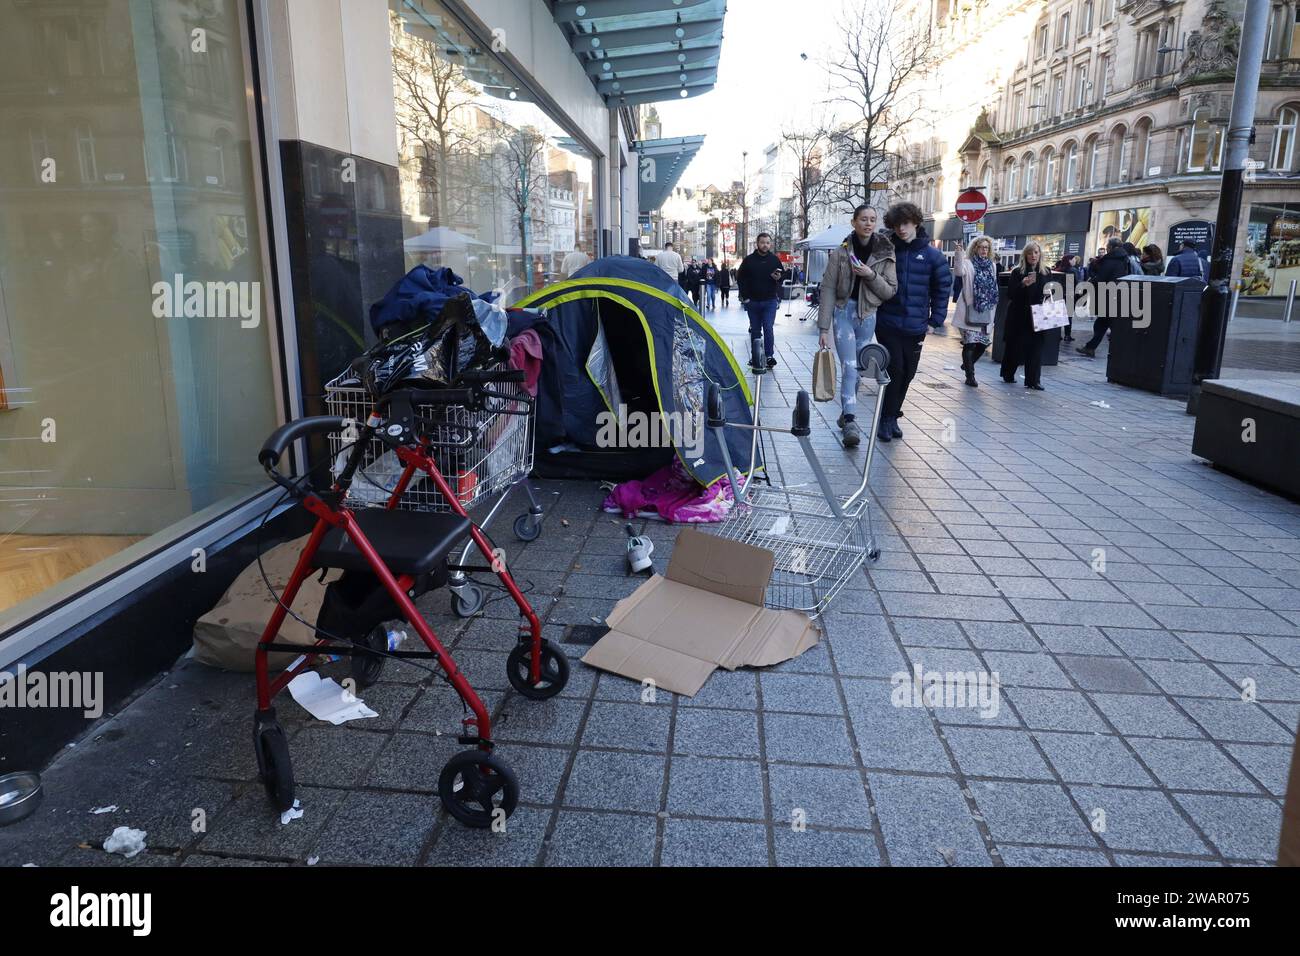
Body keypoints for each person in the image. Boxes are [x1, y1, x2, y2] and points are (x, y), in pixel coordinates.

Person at [817, 203, 898, 447]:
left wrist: (869, 275)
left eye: (873, 219)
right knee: (849, 367)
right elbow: (828, 288)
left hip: (868, 315)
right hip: (843, 313)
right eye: (863, 219)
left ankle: (846, 409)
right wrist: (823, 328)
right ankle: (851, 421)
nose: (868, 223)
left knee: (860, 369)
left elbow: (890, 291)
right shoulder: (841, 252)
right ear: (854, 222)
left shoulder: (886, 252)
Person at [873, 202, 952, 442]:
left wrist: (935, 320)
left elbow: (942, 288)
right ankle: (886, 419)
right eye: (897, 225)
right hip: (888, 323)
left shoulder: (932, 256)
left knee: (908, 372)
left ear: (916, 223)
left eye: (905, 224)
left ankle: (894, 415)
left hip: (916, 326)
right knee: (895, 369)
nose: (901, 230)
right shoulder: (887, 252)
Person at [1000, 240, 1052, 390]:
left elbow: (1051, 292)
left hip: (1039, 314)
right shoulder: (1018, 272)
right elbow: (1010, 294)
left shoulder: (1046, 272)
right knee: (1014, 346)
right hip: (1019, 315)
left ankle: (1033, 380)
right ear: (1025, 255)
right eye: (1030, 252)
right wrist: (1022, 284)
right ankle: (1008, 373)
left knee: (1036, 347)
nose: (1033, 255)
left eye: (1036, 252)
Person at [953, 236, 997, 387]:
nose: (984, 250)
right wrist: (959, 253)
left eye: (987, 247)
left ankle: (967, 363)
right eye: (981, 247)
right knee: (970, 344)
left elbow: (994, 287)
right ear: (975, 248)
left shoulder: (992, 265)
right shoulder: (968, 263)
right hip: (969, 310)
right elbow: (958, 272)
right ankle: (970, 376)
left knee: (983, 344)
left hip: (985, 310)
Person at [1077, 236, 1131, 357]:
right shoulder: (1125, 259)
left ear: (1111, 247)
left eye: (1107, 247)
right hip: (1118, 295)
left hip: (1108, 296)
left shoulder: (1111, 259)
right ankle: (1091, 348)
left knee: (1105, 324)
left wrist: (1090, 283)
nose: (1106, 249)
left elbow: (1101, 278)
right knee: (1105, 324)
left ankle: (1121, 350)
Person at [737, 233, 785, 367]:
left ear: (770, 244)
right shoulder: (749, 260)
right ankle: (755, 357)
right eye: (763, 242)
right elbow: (740, 278)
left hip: (769, 300)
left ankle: (769, 356)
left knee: (768, 328)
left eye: (768, 243)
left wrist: (778, 278)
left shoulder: (774, 260)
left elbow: (782, 276)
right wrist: (745, 297)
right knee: (755, 330)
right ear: (757, 244)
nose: (765, 245)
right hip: (752, 302)